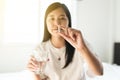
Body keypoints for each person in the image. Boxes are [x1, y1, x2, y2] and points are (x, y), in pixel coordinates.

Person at [27, 2, 103, 80]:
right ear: (46, 23)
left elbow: (99, 72)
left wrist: (82, 48)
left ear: (68, 21)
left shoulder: (80, 43)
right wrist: (34, 72)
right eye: (52, 18)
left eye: (62, 18)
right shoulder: (40, 49)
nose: (57, 23)